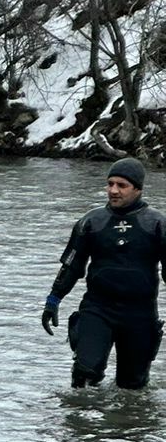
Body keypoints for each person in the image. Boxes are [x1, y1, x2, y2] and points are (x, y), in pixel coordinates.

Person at [43, 158, 166, 389]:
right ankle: (82, 421)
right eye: (110, 184)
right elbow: (71, 266)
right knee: (84, 374)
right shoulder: (92, 221)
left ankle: (127, 424)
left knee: (132, 388)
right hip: (98, 309)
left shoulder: (157, 224)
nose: (113, 190)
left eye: (121, 185)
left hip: (140, 314)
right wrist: (53, 300)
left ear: (138, 189)